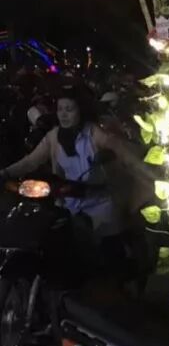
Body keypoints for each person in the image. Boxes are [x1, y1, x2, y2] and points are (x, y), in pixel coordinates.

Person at [0, 85, 148, 247]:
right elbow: (31, 161)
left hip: (99, 204)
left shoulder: (94, 133)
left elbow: (124, 152)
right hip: (69, 205)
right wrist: (6, 173)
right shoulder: (53, 137)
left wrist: (151, 173)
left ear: (80, 111)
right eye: (60, 109)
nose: (63, 114)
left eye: (69, 109)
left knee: (109, 248)